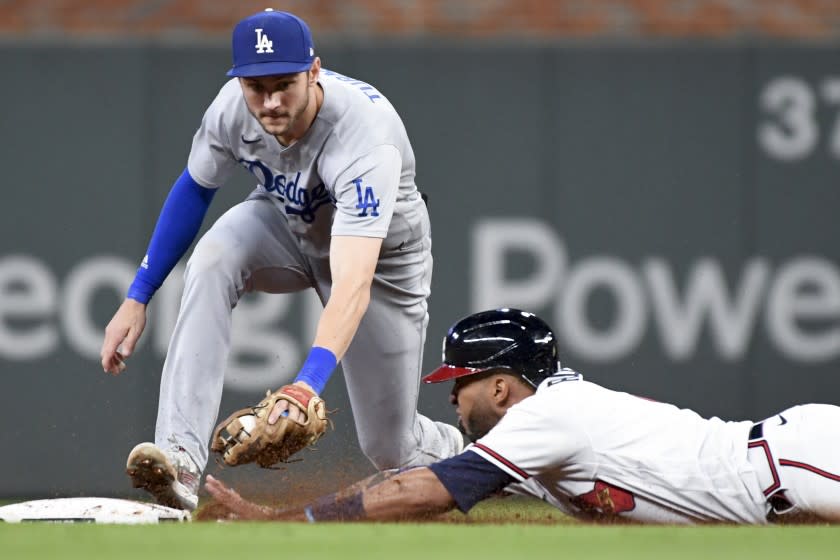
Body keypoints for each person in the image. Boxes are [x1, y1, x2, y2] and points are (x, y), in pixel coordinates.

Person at [99, 9, 463, 511]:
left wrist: (305, 386)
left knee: (390, 447)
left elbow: (352, 281)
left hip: (381, 265)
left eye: (283, 84)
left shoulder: (365, 139)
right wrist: (138, 295)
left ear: (315, 71)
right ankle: (180, 458)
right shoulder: (233, 107)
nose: (268, 101)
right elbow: (194, 188)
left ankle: (465, 453)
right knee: (213, 259)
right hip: (289, 223)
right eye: (255, 87)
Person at [205, 308, 840, 524]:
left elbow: (426, 491)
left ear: (504, 388)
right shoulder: (537, 432)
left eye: (462, 384)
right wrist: (277, 517)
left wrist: (297, 519)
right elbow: (392, 482)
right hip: (785, 486)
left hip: (798, 463)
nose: (453, 399)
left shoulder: (548, 418)